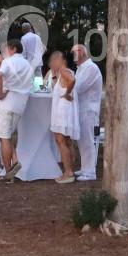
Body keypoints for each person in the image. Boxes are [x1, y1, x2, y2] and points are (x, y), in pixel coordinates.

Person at [0, 39, 35, 182]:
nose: (5, 52)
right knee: (6, 136)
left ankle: (8, 173)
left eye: (7, 49)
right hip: (20, 105)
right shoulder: (28, 65)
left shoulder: (8, 61)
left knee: (4, 137)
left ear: (12, 49)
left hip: (6, 103)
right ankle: (15, 161)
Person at [47, 50, 79, 184]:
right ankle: (70, 169)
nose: (52, 63)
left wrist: (67, 93)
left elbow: (72, 81)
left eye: (55, 60)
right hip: (65, 111)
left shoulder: (65, 72)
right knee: (66, 141)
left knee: (61, 141)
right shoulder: (63, 73)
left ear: (62, 60)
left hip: (62, 112)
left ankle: (68, 172)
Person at [71, 43, 103, 180]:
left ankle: (90, 172)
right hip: (82, 108)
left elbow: (78, 87)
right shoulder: (81, 68)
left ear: (82, 53)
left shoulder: (91, 68)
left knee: (88, 140)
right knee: (82, 140)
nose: (72, 55)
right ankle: (85, 168)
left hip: (89, 109)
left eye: (75, 52)